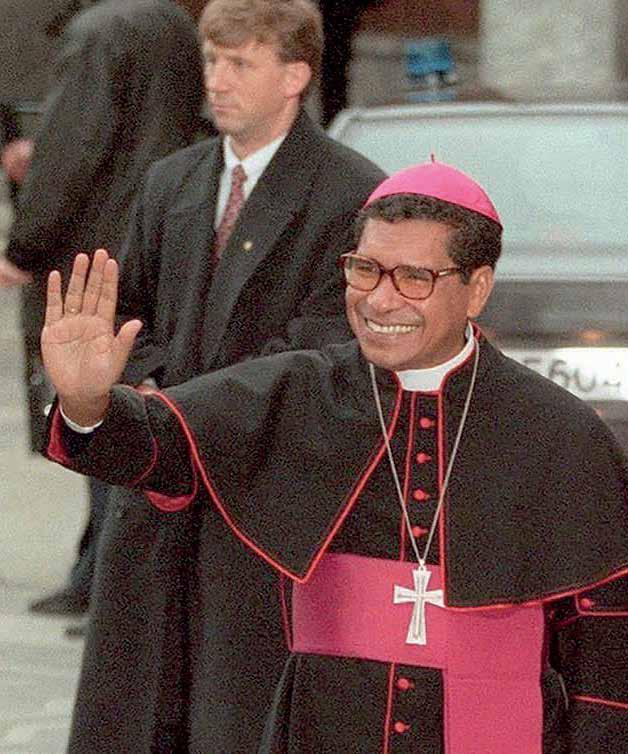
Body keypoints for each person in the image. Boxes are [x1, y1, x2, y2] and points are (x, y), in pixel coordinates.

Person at [42, 161, 628, 753]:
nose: (379, 299)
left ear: (477, 288)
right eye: (365, 269)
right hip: (325, 725)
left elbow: (606, 640)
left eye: (415, 278)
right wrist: (87, 401)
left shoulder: (556, 430)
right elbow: (160, 445)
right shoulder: (297, 392)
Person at [54, 0, 385, 750]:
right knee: (138, 699)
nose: (218, 80)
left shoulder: (351, 192)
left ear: (295, 75)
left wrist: (189, 413)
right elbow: (129, 309)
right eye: (211, 59)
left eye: (240, 62)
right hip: (156, 483)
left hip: (263, 491)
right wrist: (140, 389)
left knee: (235, 706)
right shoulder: (171, 179)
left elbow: (328, 345)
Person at [0, 0, 205, 619]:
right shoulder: (172, 22)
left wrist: (25, 244)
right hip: (154, 235)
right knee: (131, 402)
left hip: (93, 249)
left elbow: (75, 146)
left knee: (91, 404)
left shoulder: (100, 32)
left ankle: (104, 579)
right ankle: (98, 570)